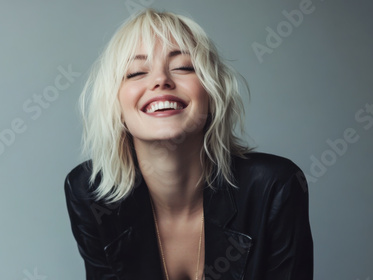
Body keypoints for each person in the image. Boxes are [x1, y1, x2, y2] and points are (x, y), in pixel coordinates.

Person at [64, 9, 313, 280]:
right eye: (136, 72)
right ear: (116, 105)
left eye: (183, 67)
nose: (161, 81)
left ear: (211, 92)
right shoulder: (90, 193)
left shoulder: (274, 187)